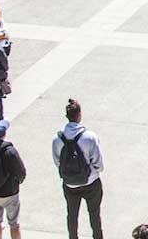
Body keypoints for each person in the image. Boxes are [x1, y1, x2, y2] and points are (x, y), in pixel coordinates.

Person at [52, 99, 105, 239]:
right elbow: (99, 164)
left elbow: (58, 162)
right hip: (91, 183)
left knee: (72, 215)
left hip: (70, 184)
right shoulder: (90, 137)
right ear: (79, 115)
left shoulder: (57, 139)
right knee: (94, 215)